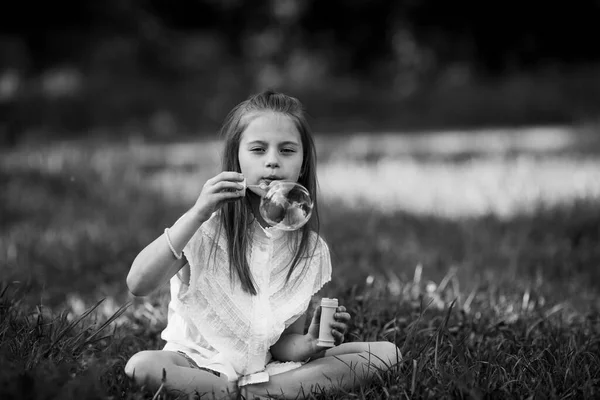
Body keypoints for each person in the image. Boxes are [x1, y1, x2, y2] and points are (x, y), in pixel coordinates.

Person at [124, 90, 401, 399]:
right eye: (258, 150)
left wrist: (309, 343)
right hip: (194, 363)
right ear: (237, 159)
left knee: (387, 354)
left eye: (287, 150)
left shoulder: (308, 249)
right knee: (141, 366)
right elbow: (138, 284)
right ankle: (258, 393)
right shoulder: (205, 229)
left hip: (265, 368)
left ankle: (244, 393)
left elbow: (285, 343)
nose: (272, 161)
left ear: (303, 163)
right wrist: (197, 213)